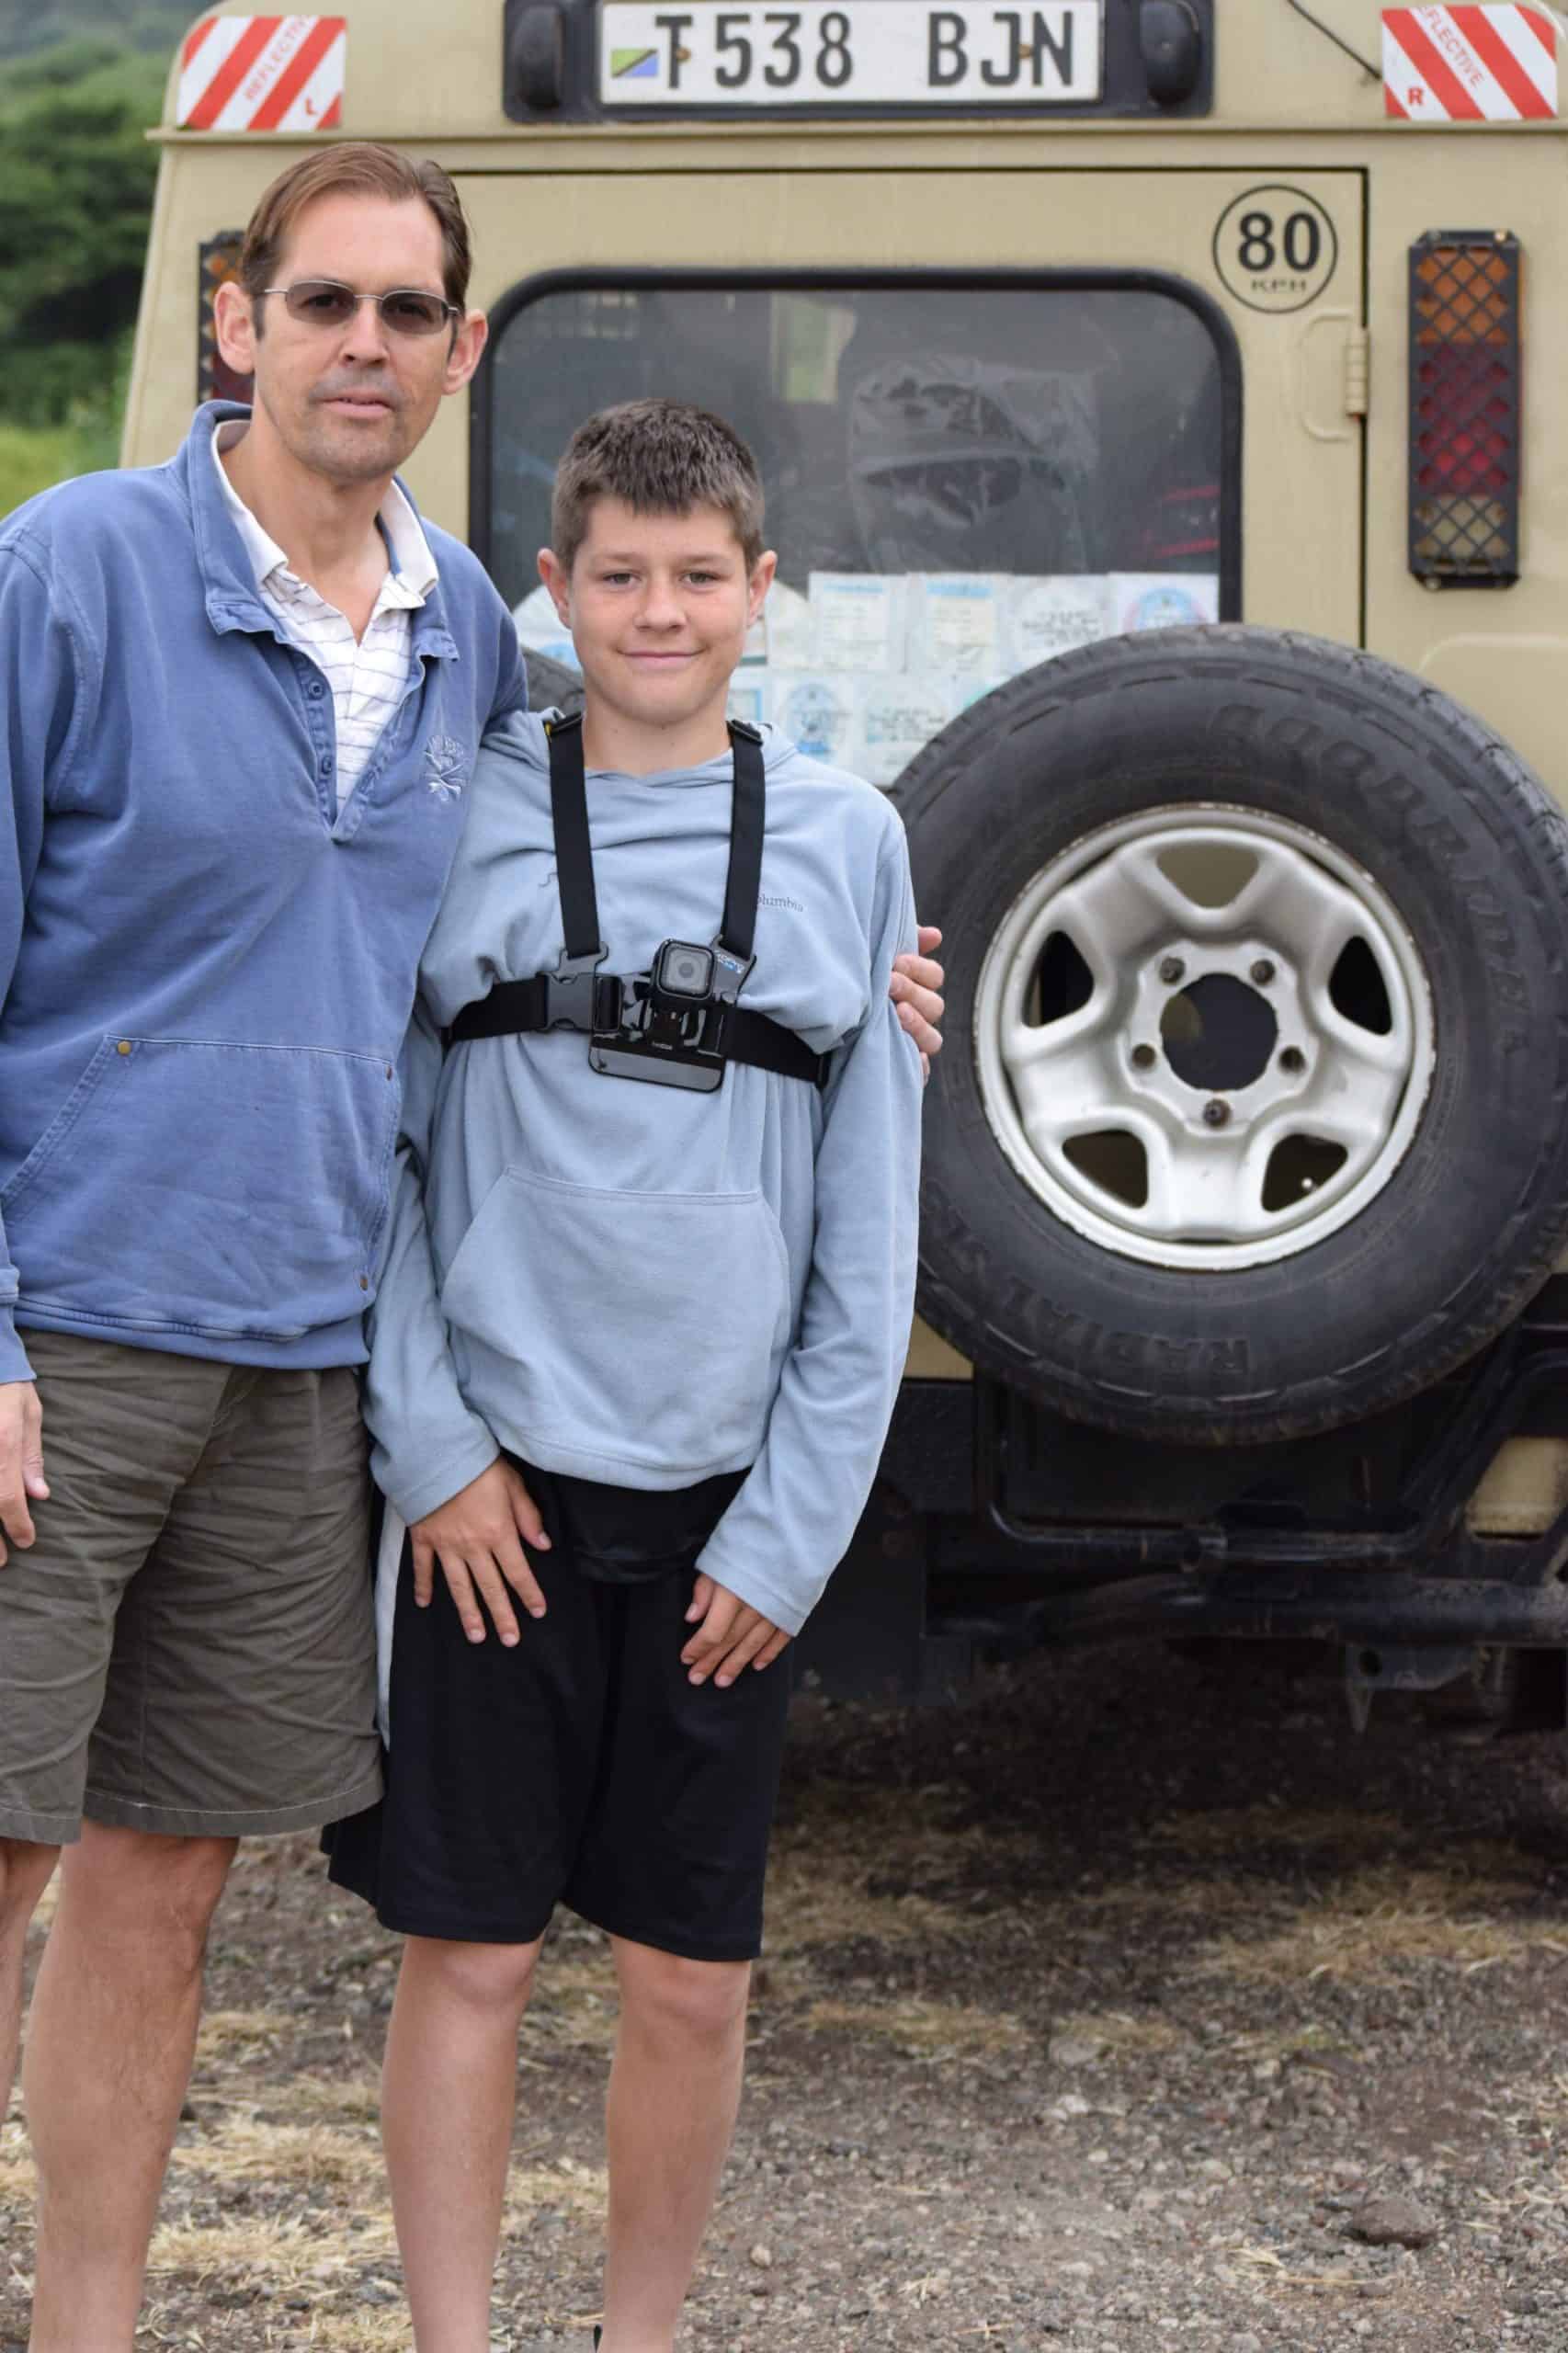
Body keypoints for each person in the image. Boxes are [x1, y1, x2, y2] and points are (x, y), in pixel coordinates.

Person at [0, 148, 947, 2352]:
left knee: (164, 1866)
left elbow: (682, 784)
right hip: (74, 1316)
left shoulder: (462, 652)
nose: (360, 344)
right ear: (235, 317)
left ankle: (87, 2326)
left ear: (459, 349)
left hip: (305, 1351)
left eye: (403, 311)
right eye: (317, 300)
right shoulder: (72, 569)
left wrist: (874, 964)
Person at [324, 397, 925, 2353]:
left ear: (762, 589)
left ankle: (640, 2331)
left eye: (696, 577)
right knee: (470, 1954)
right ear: (556, 591)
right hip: (490, 1497)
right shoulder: (461, 808)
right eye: (618, 577)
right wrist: (430, 1449)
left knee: (687, 1976)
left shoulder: (844, 838)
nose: (656, 612)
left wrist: (794, 1530)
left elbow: (871, 1226)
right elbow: (385, 1163)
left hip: (726, 1514)